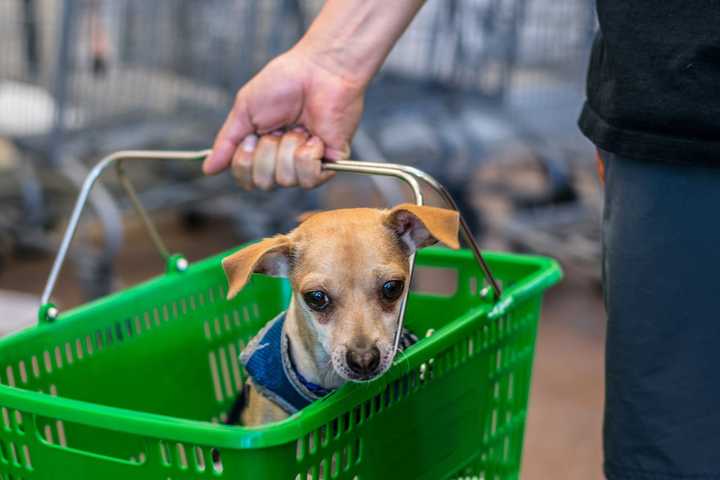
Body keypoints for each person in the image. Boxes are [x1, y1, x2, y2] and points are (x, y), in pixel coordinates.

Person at [204, 1, 720, 478]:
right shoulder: (270, 374)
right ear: (272, 268)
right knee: (671, 430)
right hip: (676, 111)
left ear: (415, 236)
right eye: (321, 300)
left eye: (388, 292)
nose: (363, 347)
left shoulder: (399, 276)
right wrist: (330, 64)